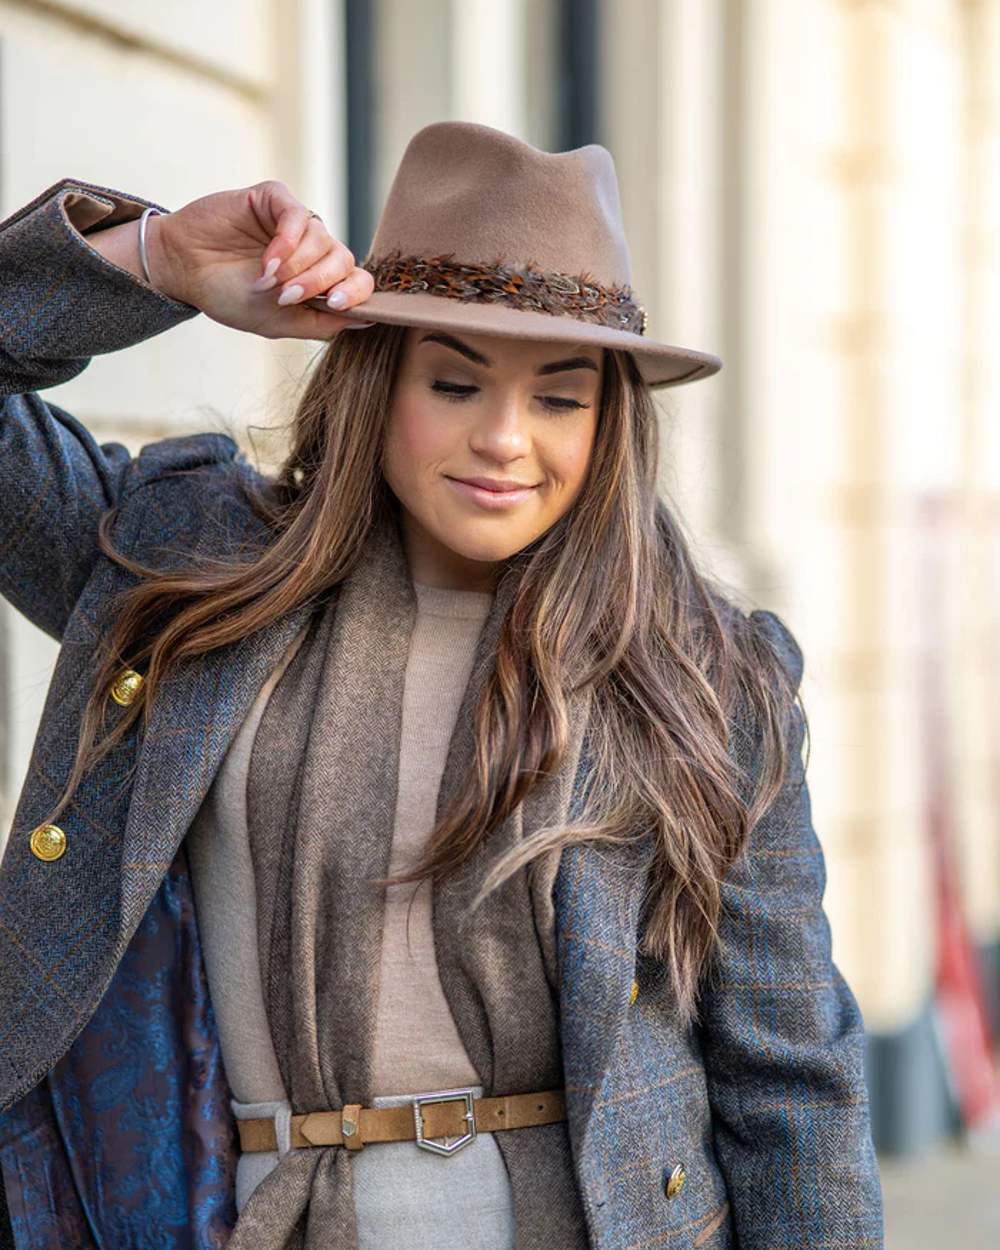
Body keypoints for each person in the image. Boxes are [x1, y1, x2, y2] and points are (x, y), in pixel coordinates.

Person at [0, 121, 883, 1250]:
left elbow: (793, 1078)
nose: (505, 438)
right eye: (455, 382)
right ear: (379, 381)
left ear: (610, 419)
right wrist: (156, 258)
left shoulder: (703, 675)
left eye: (560, 398)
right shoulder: (188, 576)